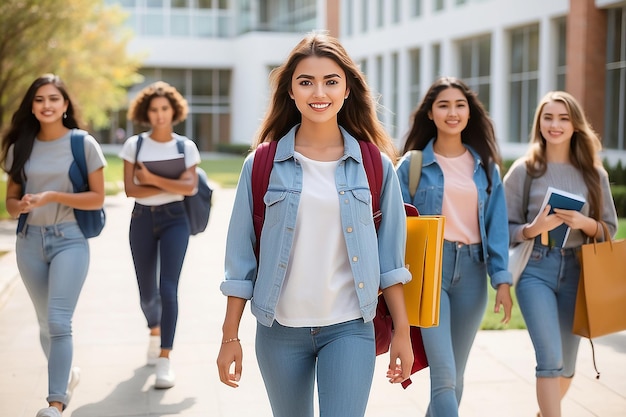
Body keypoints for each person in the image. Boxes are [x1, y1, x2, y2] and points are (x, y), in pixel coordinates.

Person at [216, 32, 413, 417]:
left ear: (347, 90)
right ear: (290, 91)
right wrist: (230, 336)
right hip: (279, 332)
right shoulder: (261, 165)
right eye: (305, 81)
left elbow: (391, 262)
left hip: (350, 326)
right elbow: (240, 261)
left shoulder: (375, 166)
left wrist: (403, 333)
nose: (318, 91)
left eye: (330, 81)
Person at [396, 76, 513, 417]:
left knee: (455, 378)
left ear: (470, 113)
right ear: (430, 114)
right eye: (443, 105)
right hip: (430, 272)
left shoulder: (486, 169)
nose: (452, 112)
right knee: (443, 376)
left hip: (474, 273)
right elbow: (395, 225)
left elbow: (497, 227)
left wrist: (502, 281)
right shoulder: (412, 166)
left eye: (460, 105)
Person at [503, 91, 618, 417]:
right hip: (535, 268)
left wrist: (587, 223)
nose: (555, 124)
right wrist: (532, 229)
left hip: (578, 272)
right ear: (539, 123)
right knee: (550, 359)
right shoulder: (524, 171)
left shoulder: (594, 175)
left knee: (566, 365)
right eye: (548, 117)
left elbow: (610, 228)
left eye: (563, 118)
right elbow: (503, 228)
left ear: (575, 125)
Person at [0, 74, 106, 417]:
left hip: (69, 239)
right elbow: (10, 202)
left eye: (53, 99)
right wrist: (22, 205)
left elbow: (97, 198)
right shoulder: (20, 147)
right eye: (39, 99)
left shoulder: (83, 143)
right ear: (31, 107)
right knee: (45, 323)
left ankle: (55, 403)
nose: (46, 105)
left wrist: (53, 196)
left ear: (64, 105)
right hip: (29, 242)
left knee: (59, 322)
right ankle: (67, 375)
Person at [118, 81, 201, 389]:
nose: (159, 114)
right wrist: (172, 182)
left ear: (174, 110)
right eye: (153, 109)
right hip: (141, 218)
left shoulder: (185, 147)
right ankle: (154, 329)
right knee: (146, 293)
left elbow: (189, 187)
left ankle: (165, 357)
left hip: (175, 221)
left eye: (165, 108)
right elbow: (130, 190)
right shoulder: (134, 145)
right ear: (146, 112)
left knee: (168, 288)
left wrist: (150, 177)